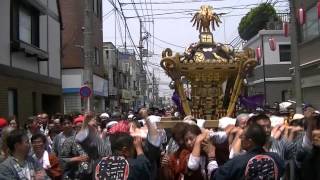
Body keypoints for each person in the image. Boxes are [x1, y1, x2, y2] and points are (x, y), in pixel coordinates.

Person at [211, 124, 285, 180]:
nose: (239, 138)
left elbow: (216, 176)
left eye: (242, 136)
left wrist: (211, 159)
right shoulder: (277, 158)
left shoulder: (238, 161)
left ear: (249, 142)